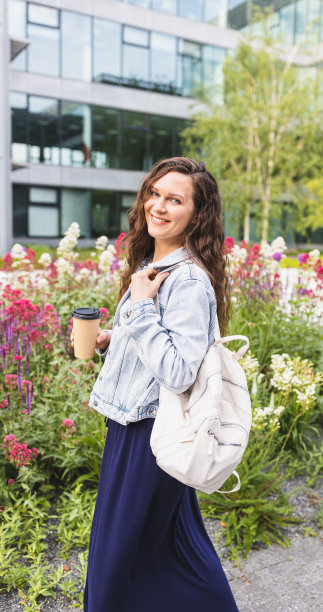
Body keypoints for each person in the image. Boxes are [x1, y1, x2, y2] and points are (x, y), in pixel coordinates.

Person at [80, 157, 239, 611]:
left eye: (175, 199)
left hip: (151, 436)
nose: (159, 206)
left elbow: (178, 372)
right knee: (170, 545)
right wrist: (115, 338)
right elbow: (157, 352)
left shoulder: (187, 280)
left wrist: (142, 309)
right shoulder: (155, 265)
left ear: (197, 214)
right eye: (155, 193)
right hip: (134, 427)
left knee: (121, 555)